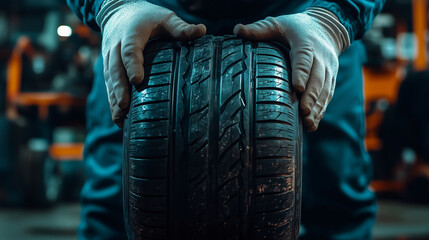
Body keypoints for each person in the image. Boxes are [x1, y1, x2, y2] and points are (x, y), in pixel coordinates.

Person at [66, 0, 385, 239]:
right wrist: (112, 7)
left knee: (335, 197)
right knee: (116, 203)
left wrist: (333, 19)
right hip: (147, 19)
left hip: (305, 20)